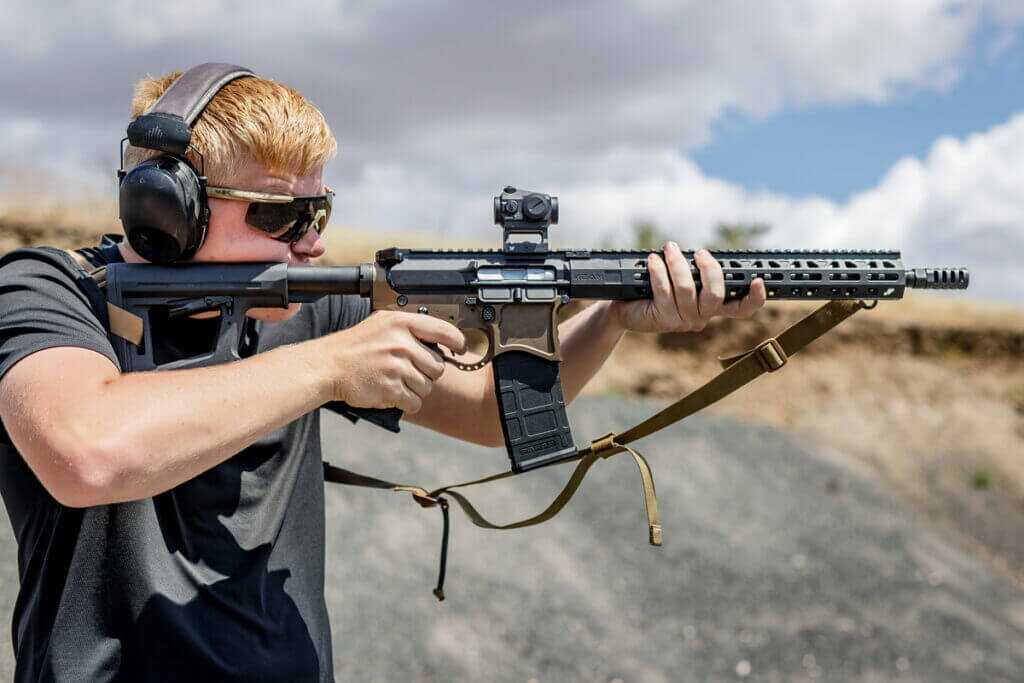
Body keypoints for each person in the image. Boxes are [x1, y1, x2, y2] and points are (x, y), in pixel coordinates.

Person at [0, 67, 767, 682]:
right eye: (280, 216)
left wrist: (613, 316)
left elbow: (493, 416)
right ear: (166, 210)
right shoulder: (48, 289)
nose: (307, 244)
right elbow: (86, 450)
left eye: (318, 213)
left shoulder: (304, 312)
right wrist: (331, 367)